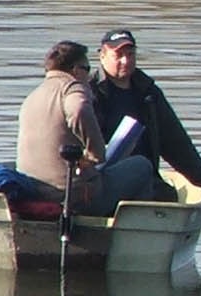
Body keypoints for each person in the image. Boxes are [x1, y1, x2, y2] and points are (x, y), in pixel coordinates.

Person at [16, 41, 159, 216]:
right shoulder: (72, 87)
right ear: (76, 69)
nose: (89, 76)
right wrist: (95, 155)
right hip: (74, 196)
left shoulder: (32, 97)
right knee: (142, 166)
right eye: (87, 68)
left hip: (34, 191)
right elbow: (79, 109)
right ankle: (131, 232)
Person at [90, 30, 201, 201]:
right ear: (102, 56)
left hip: (147, 180)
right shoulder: (89, 91)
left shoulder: (148, 92)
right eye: (118, 55)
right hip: (101, 180)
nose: (126, 61)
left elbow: (174, 140)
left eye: (130, 54)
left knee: (168, 196)